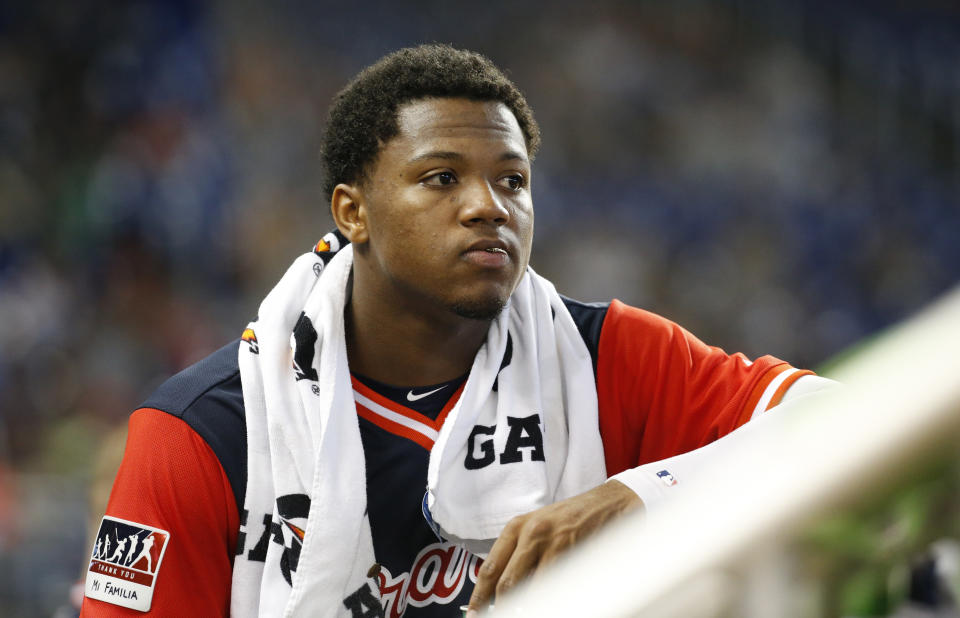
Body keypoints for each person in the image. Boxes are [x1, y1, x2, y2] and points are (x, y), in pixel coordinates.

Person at [81, 45, 832, 617]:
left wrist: (639, 494)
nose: (489, 206)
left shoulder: (611, 357)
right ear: (352, 213)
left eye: (512, 181)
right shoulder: (201, 431)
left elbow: (845, 418)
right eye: (442, 178)